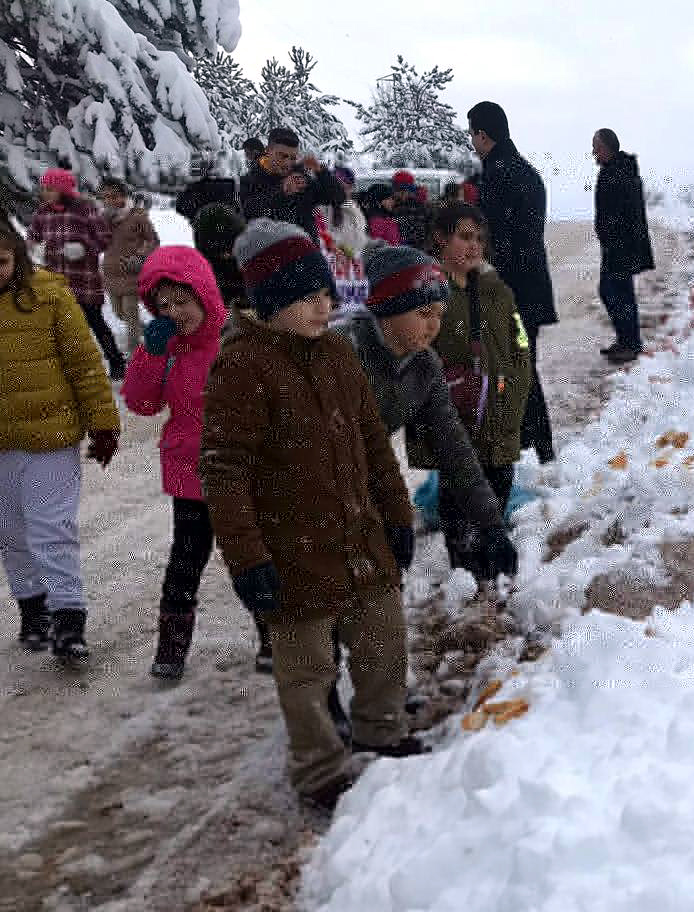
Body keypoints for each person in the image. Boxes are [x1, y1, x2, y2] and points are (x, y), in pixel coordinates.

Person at [201, 218, 425, 811]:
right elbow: (224, 472)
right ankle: (320, 768)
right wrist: (247, 558)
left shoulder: (337, 353)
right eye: (308, 294)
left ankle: (383, 729)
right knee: (306, 672)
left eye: (326, 291)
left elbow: (375, 442)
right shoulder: (242, 366)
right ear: (270, 301)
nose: (324, 303)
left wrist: (397, 514)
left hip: (360, 534)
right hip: (291, 551)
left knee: (382, 641)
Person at [334, 245, 519, 580]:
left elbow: (453, 447)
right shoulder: (343, 357)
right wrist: (388, 517)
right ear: (387, 309)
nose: (435, 326)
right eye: (423, 314)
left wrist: (491, 524)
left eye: (439, 314)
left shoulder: (423, 367)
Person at [119, 247, 258, 678]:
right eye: (164, 306)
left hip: (237, 472)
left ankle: (275, 637)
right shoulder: (168, 348)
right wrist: (152, 354)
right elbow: (141, 404)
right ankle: (171, 651)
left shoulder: (236, 339)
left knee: (252, 560)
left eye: (183, 301)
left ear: (205, 295)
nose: (175, 313)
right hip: (190, 473)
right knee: (185, 563)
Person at [0, 217, 120, 660]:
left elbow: (84, 360)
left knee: (51, 529)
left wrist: (102, 421)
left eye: (2, 261)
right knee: (10, 533)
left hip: (50, 435)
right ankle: (34, 610)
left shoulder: (49, 293)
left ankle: (69, 618)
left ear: (16, 256)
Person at [424, 204, 532, 533]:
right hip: (455, 423)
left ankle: (492, 564)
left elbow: (521, 348)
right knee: (458, 506)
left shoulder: (497, 291)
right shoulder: (429, 294)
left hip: (499, 417)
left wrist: (512, 400)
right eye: (465, 237)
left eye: (480, 239)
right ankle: (464, 567)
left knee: (497, 494)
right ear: (441, 238)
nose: (474, 246)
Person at [467, 101, 557, 464]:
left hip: (509, 293)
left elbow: (495, 241)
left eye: (472, 134)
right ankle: (536, 450)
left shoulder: (497, 174)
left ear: (483, 135)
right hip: (530, 289)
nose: (472, 141)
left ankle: (535, 451)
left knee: (514, 370)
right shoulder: (527, 172)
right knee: (521, 366)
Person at [26, 168, 126, 379]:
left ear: (63, 189)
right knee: (61, 327)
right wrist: (33, 249)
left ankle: (116, 362)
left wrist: (84, 248)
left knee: (96, 323)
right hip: (56, 281)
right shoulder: (42, 212)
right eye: (43, 188)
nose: (45, 192)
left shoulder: (85, 209)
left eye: (50, 188)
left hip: (84, 280)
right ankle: (69, 368)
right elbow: (32, 238)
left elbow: (105, 239)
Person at [591, 128, 656, 364]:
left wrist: (611, 232)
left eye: (596, 148)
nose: (593, 153)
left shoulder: (620, 172)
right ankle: (627, 340)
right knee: (619, 293)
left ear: (606, 148)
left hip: (622, 246)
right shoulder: (614, 170)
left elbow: (626, 212)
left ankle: (630, 343)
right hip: (615, 246)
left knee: (613, 292)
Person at [238, 127, 346, 237]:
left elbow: (337, 198)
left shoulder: (301, 178)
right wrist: (282, 192)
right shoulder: (249, 180)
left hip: (307, 250)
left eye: (293, 158)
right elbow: (250, 213)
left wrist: (322, 172)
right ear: (268, 151)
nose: (287, 163)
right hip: (270, 250)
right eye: (282, 156)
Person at [97, 177, 160, 352]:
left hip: (132, 273)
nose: (111, 201)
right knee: (119, 313)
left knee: (130, 315)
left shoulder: (137, 217)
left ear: (124, 196)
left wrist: (140, 257)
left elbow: (153, 240)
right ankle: (147, 331)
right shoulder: (103, 220)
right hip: (111, 274)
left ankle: (135, 354)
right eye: (106, 197)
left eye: (115, 196)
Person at [316, 166, 370, 324]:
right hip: (328, 276)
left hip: (350, 277)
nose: (340, 191)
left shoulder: (353, 210)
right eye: (336, 187)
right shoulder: (320, 210)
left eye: (346, 187)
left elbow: (359, 242)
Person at [192, 202, 248, 315]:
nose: (228, 255)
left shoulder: (258, 257)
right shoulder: (201, 273)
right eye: (222, 253)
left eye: (232, 248)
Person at [174, 157, 238, 224]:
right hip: (225, 226)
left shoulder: (189, 189)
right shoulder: (230, 185)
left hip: (198, 227)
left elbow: (180, 214)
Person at [389, 171, 431, 249]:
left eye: (397, 190)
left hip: (416, 250)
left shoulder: (419, 206)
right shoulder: (393, 204)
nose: (395, 193)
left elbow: (425, 230)